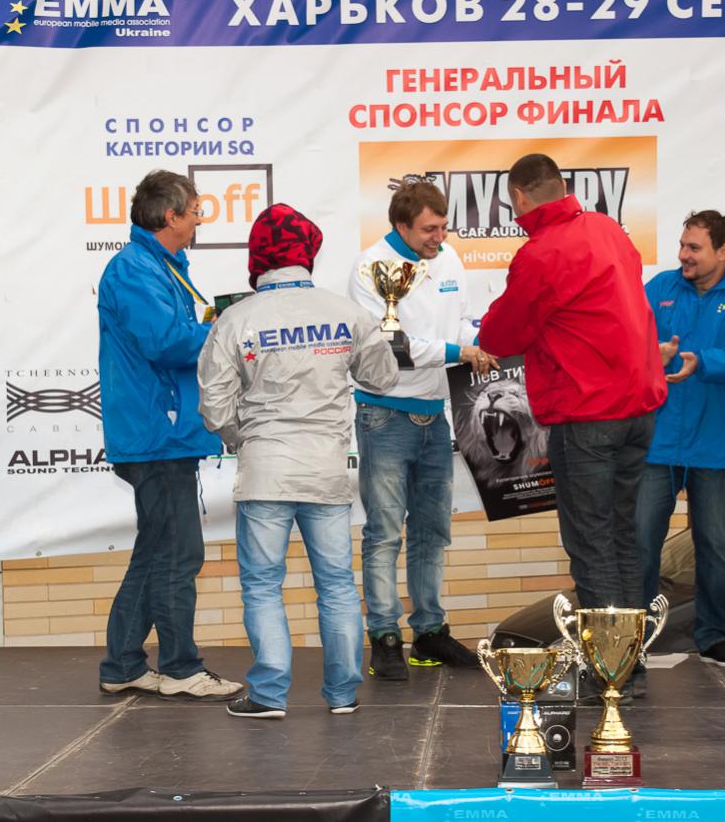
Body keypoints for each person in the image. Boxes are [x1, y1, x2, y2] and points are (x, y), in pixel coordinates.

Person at [199, 204, 399, 718]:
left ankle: (269, 695)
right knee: (336, 586)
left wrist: (245, 439)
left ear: (257, 257)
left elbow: (214, 408)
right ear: (308, 252)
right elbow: (383, 378)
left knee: (263, 586)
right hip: (326, 471)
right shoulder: (347, 313)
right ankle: (343, 694)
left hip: (264, 471)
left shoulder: (235, 319)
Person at [478, 153, 667, 614]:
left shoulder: (541, 253)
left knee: (591, 542)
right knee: (622, 536)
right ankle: (631, 652)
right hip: (637, 407)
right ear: (562, 186)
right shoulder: (607, 229)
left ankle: (609, 657)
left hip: (586, 412)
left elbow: (500, 336)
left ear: (519, 197)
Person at [96, 169, 242, 701]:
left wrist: (212, 324)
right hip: (156, 432)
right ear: (169, 216)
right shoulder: (136, 268)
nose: (199, 221)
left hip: (164, 432)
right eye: (195, 212)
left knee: (157, 550)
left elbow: (176, 336)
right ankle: (180, 667)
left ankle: (123, 664)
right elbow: (166, 342)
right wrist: (225, 329)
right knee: (179, 554)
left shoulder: (159, 266)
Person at [348, 180, 496, 681]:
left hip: (437, 412)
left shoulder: (449, 259)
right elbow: (390, 347)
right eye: (429, 229)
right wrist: (460, 352)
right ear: (401, 225)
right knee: (384, 533)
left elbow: (462, 324)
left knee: (433, 532)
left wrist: (481, 342)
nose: (439, 237)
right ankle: (385, 637)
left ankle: (429, 632)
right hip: (384, 415)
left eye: (443, 226)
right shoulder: (369, 267)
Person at [637, 210, 725, 669]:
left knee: (715, 546)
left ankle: (714, 637)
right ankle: (632, 638)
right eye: (682, 245)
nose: (683, 255)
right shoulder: (660, 288)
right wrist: (650, 355)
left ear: (723, 250)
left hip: (720, 445)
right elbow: (629, 339)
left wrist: (703, 362)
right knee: (640, 542)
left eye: (693, 247)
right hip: (659, 442)